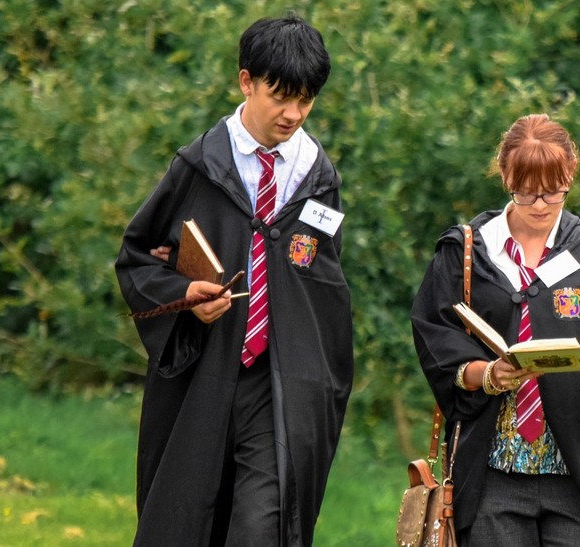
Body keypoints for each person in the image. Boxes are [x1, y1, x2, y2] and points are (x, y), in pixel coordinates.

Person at [115, 14, 353, 546]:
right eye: (281, 96)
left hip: (282, 385)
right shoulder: (199, 166)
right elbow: (137, 258)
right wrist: (183, 296)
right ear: (247, 81)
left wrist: (322, 381)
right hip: (204, 375)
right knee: (184, 523)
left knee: (261, 528)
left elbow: (324, 286)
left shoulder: (318, 178)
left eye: (307, 100)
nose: (293, 114)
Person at [410, 113, 580, 546]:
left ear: (570, 175)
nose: (539, 206)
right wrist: (487, 373)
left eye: (552, 193)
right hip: (492, 475)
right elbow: (435, 334)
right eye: (526, 192)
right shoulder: (467, 251)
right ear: (505, 177)